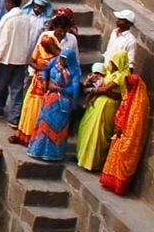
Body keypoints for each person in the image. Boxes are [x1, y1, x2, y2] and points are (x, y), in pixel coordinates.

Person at [76, 11, 138, 171]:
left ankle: (94, 162)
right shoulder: (114, 33)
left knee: (100, 133)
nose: (118, 21)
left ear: (129, 23)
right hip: (106, 74)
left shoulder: (131, 42)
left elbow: (129, 66)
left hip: (110, 92)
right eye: (118, 19)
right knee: (87, 126)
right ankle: (82, 156)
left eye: (122, 20)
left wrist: (95, 89)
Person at [25, 11, 84, 162]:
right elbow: (44, 68)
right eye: (60, 29)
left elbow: (75, 89)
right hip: (50, 100)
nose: (62, 61)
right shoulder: (55, 60)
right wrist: (46, 82)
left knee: (58, 129)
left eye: (64, 59)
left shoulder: (74, 72)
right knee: (43, 125)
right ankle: (37, 150)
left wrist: (61, 90)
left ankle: (53, 154)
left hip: (62, 103)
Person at [14, 7, 78, 145]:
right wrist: (36, 70)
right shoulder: (45, 38)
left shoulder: (72, 40)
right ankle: (27, 135)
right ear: (55, 27)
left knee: (50, 112)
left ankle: (43, 140)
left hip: (59, 82)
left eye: (65, 29)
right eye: (60, 29)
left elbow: (74, 61)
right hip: (40, 79)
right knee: (32, 107)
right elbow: (33, 58)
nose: (62, 32)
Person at [0, 0, 51, 122]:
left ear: (9, 4)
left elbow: (4, 41)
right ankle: (14, 117)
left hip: (6, 59)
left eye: (6, 3)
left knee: (0, 86)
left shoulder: (9, 19)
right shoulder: (26, 19)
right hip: (21, 59)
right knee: (17, 89)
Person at [102, 74, 149, 195]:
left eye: (129, 84)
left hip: (129, 136)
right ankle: (111, 183)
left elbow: (136, 123)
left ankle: (120, 187)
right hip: (120, 133)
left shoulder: (140, 102)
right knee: (114, 158)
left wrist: (123, 132)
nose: (127, 86)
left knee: (124, 160)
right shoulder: (129, 95)